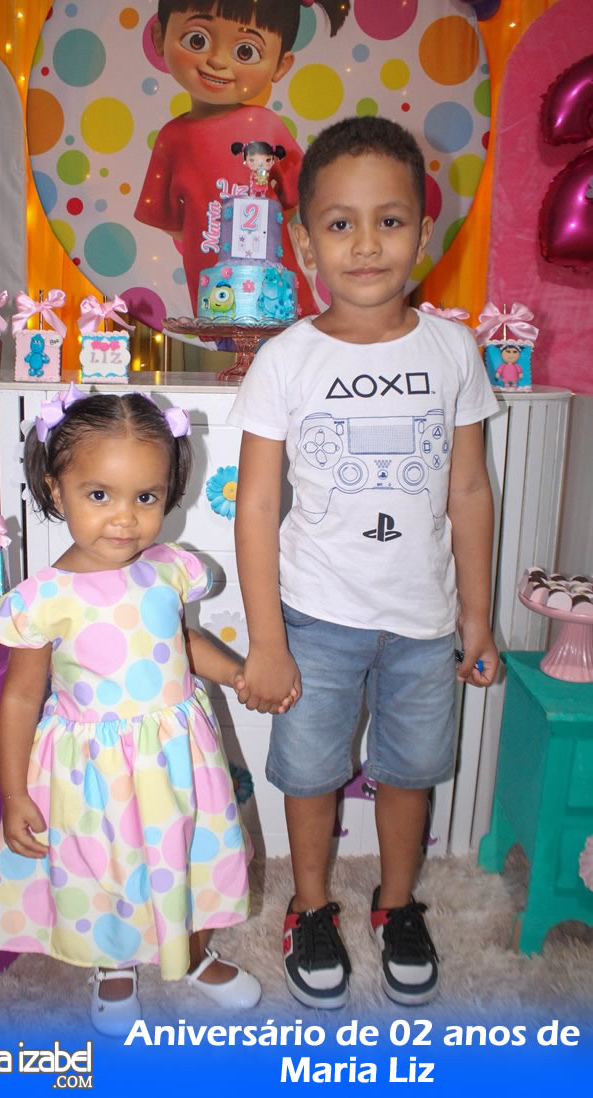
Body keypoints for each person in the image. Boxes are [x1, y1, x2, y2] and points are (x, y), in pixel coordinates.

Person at [228, 115, 500, 1009]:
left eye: (389, 220)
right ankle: (309, 907)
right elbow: (256, 507)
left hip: (423, 623)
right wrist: (266, 642)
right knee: (309, 774)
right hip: (315, 618)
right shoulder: (285, 360)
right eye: (340, 224)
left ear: (422, 232)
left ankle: (397, 903)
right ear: (305, 243)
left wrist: (476, 618)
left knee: (409, 770)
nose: (367, 244)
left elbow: (468, 490)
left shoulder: (452, 350)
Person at [0, 388, 288, 1036]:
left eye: (145, 497)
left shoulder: (169, 569)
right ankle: (112, 962)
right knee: (108, 869)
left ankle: (192, 953)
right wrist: (12, 793)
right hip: (96, 772)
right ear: (55, 489)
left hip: (177, 757)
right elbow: (21, 696)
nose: (124, 518)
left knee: (189, 856)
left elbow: (182, 643)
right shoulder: (44, 596)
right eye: (99, 495)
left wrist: (236, 673)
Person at [134, 0, 351, 317]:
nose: (217, 61)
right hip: (215, 290)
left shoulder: (266, 126)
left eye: (245, 51)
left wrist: (264, 234)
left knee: (290, 339)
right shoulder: (172, 139)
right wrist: (208, 239)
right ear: (159, 37)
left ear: (280, 65)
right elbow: (168, 220)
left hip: (276, 290)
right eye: (197, 40)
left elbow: (299, 196)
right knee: (228, 335)